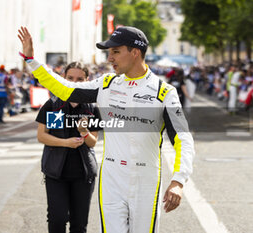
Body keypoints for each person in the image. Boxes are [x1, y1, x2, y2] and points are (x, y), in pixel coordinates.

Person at [18, 26, 194, 233]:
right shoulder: (107, 84)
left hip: (145, 177)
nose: (110, 58)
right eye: (109, 52)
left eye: (115, 52)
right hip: (112, 177)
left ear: (135, 52)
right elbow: (64, 89)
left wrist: (178, 180)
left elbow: (182, 139)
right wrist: (31, 60)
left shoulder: (164, 92)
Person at [36, 62, 102, 233]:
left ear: (87, 80)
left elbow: (93, 142)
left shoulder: (92, 108)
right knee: (57, 220)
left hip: (83, 174)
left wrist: (85, 132)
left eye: (80, 79)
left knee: (79, 224)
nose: (75, 82)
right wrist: (65, 142)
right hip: (56, 172)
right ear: (63, 79)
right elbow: (42, 136)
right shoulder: (54, 104)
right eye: (70, 78)